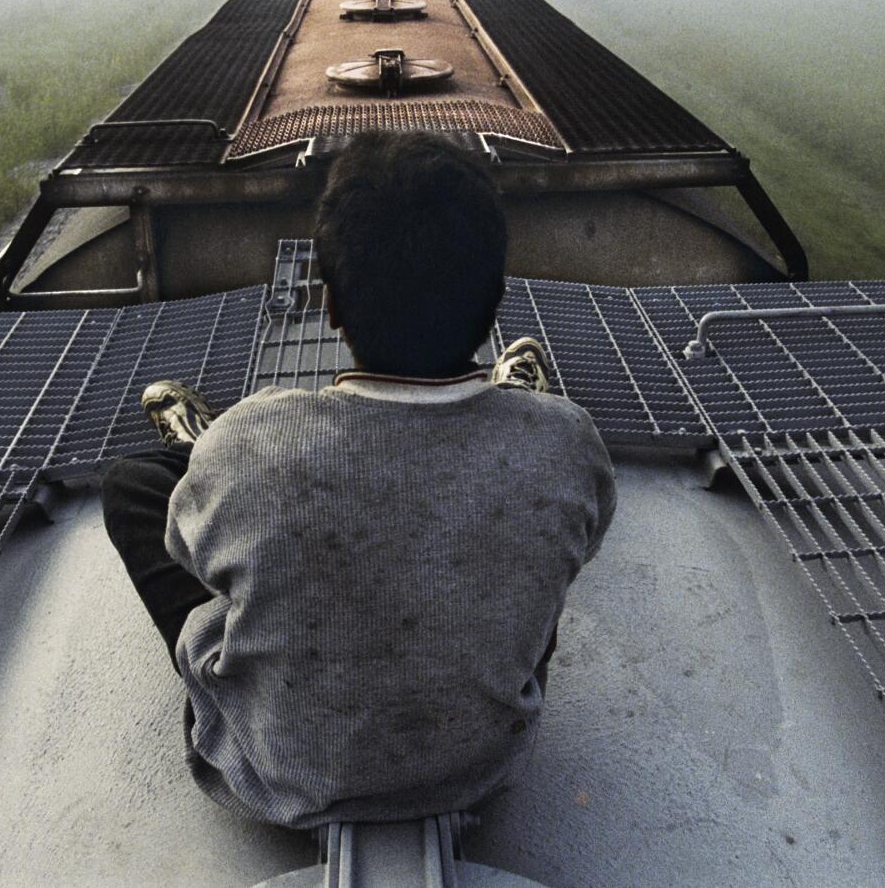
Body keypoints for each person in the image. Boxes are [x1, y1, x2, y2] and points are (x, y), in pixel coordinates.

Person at [99, 130, 616, 829]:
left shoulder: (256, 437)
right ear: (496, 303)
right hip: (477, 769)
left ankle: (195, 449)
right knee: (538, 539)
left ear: (332, 303)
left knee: (137, 484)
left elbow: (197, 560)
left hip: (273, 775)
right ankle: (508, 396)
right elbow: (576, 552)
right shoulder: (569, 439)